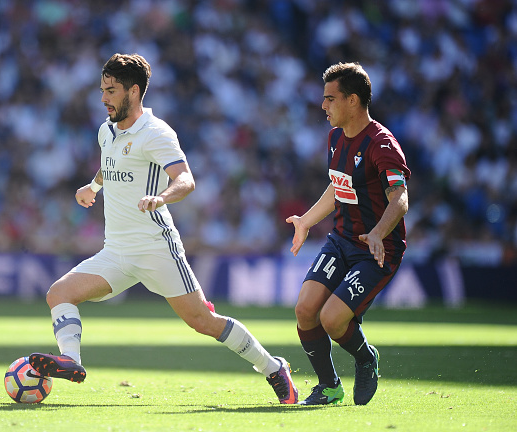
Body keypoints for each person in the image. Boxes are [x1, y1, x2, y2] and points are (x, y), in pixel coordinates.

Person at [29, 53, 298, 404]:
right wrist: (92, 187)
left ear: (134, 91)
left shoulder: (156, 133)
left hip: (157, 248)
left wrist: (162, 198)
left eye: (110, 90)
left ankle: (274, 368)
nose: (103, 98)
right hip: (116, 252)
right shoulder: (106, 131)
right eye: (102, 90)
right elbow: (110, 167)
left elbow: (185, 179)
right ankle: (71, 362)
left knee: (203, 321)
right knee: (58, 294)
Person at [286, 62, 410, 406]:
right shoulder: (335, 137)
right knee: (305, 310)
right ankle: (329, 387)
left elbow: (399, 199)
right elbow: (337, 186)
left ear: (352, 100)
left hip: (377, 249)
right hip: (341, 240)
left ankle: (366, 358)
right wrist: (307, 221)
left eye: (330, 98)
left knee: (332, 319)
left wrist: (377, 233)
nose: (323, 106)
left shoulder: (383, 145)